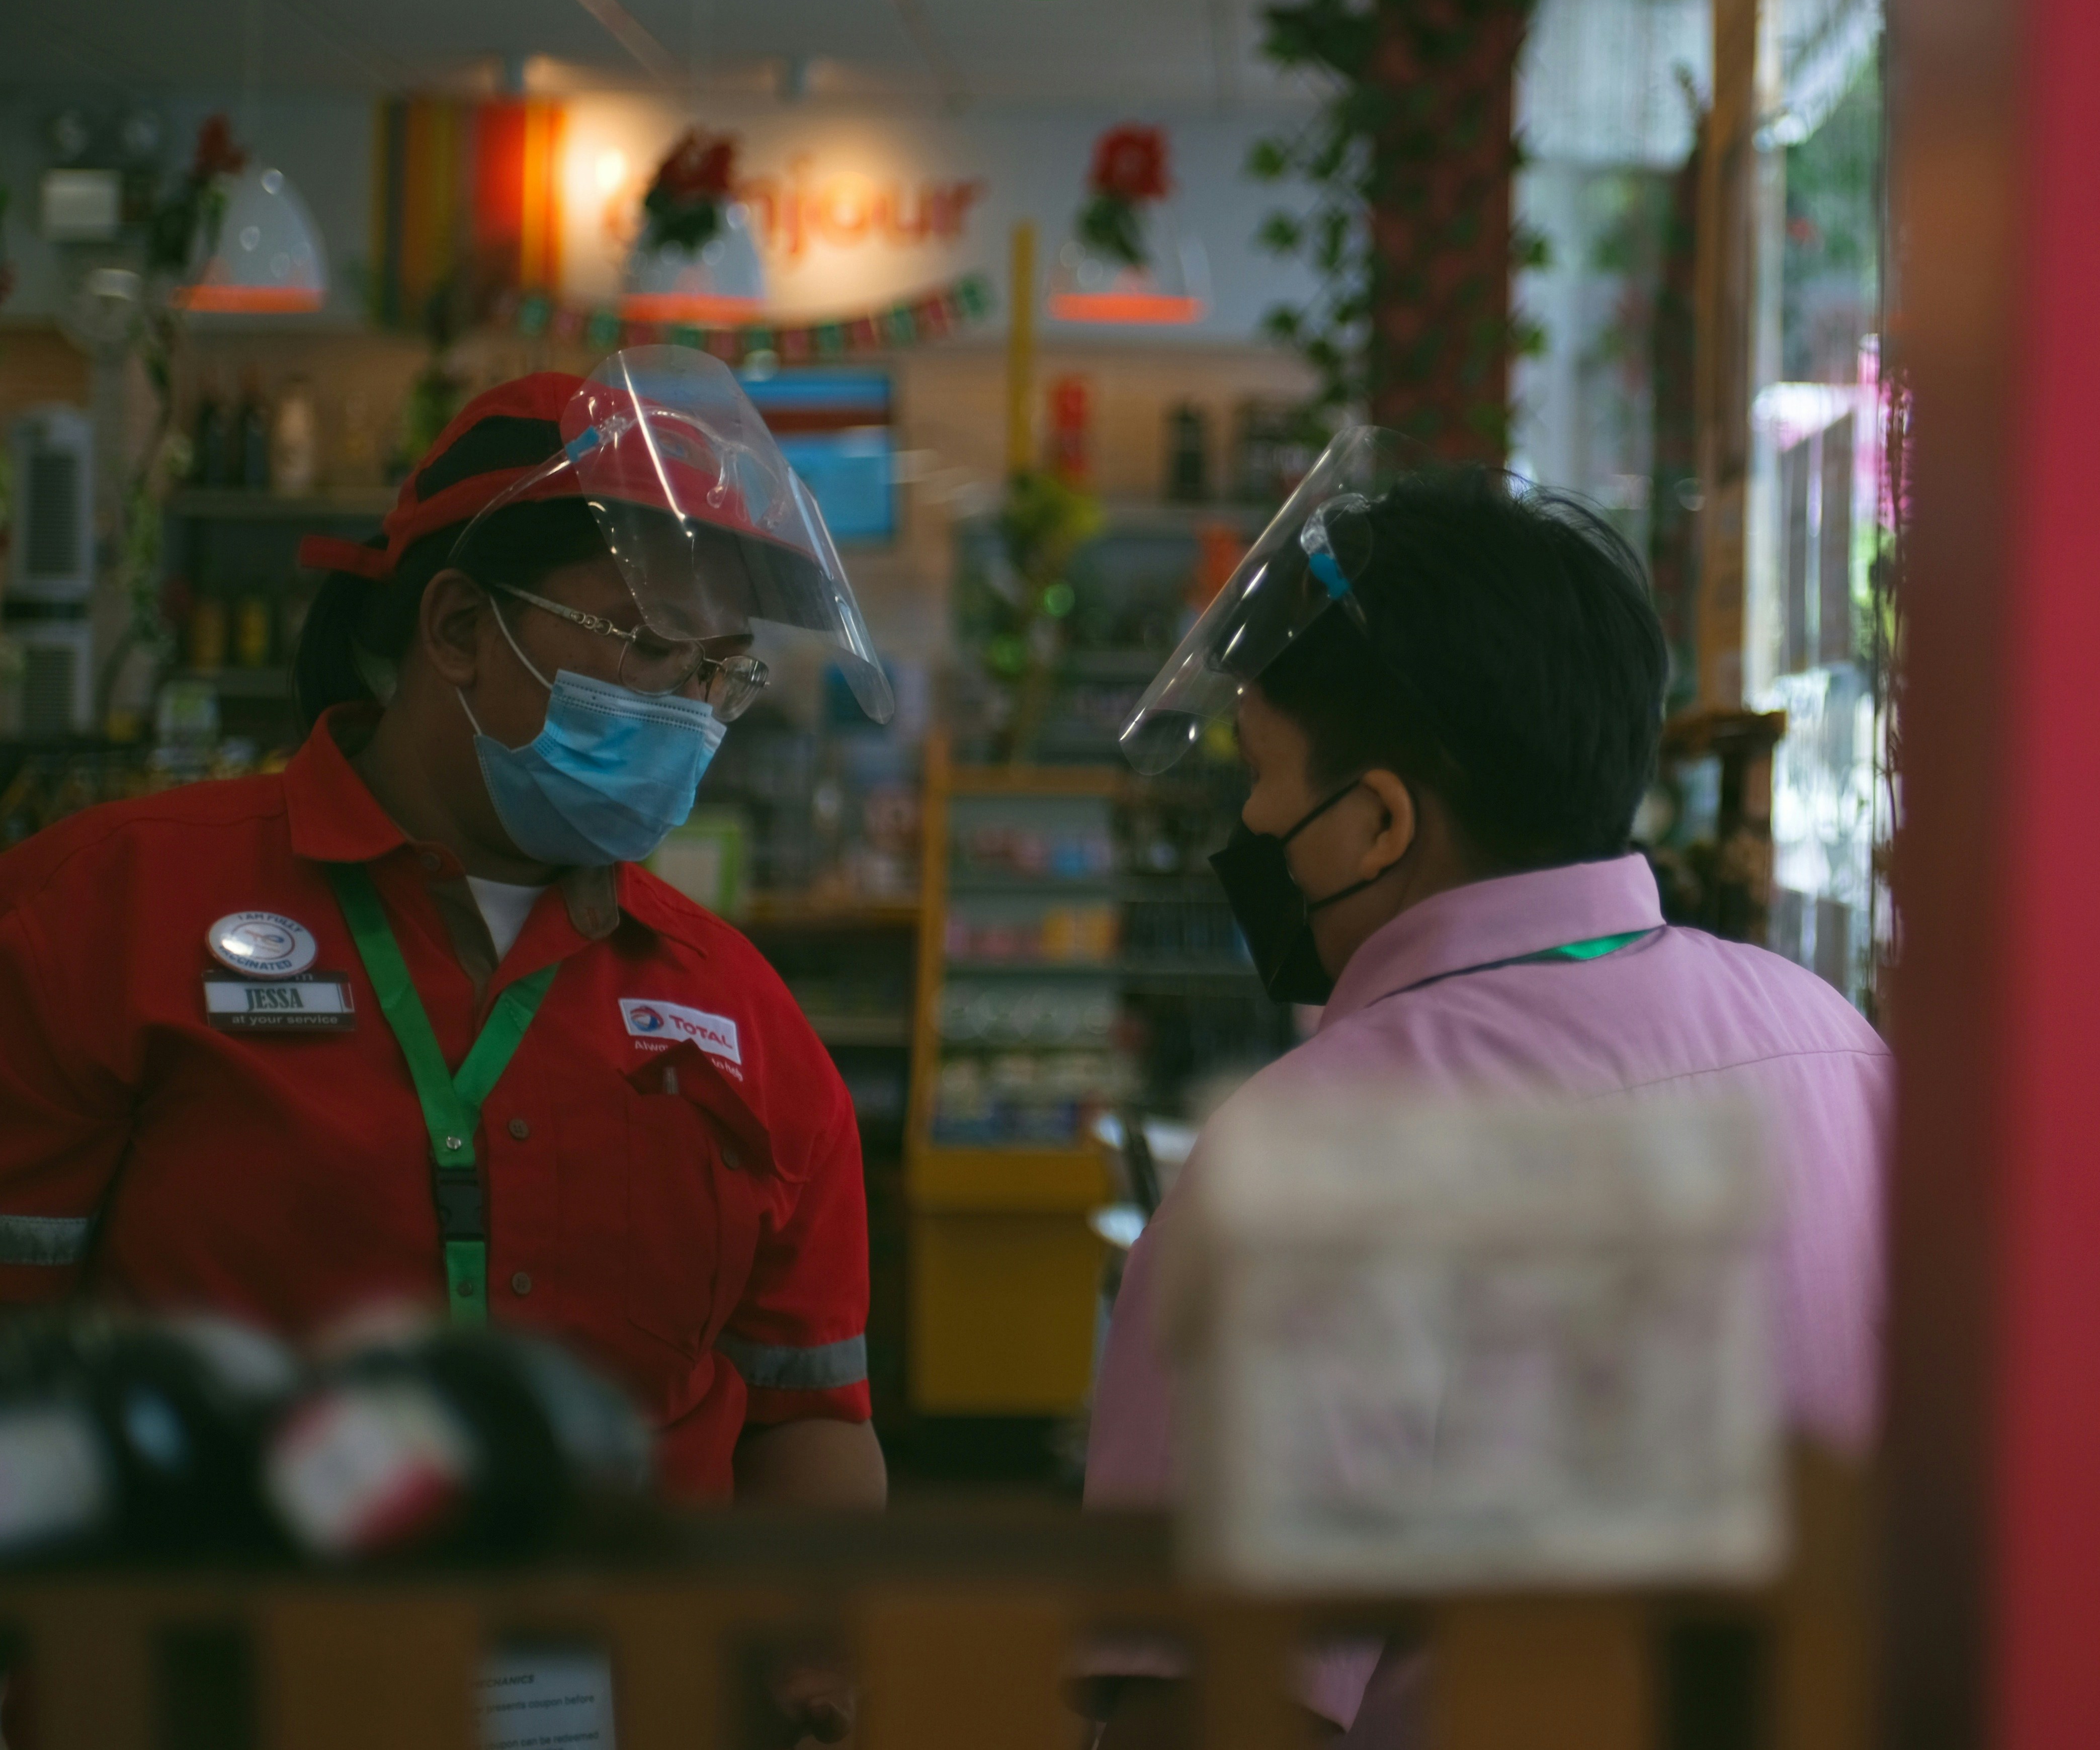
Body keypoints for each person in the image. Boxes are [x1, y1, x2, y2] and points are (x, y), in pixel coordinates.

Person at [0, 353, 886, 1729]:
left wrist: (803, 1685)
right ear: (460, 628)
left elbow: (809, 1424)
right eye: (649, 642)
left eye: (720, 669)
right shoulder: (102, 917)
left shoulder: (746, 1022)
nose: (685, 709)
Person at [1086, 439, 1892, 1746]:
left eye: (1259, 773)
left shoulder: (1316, 1153)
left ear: (1378, 824)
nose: (1245, 821)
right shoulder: (1837, 1051)